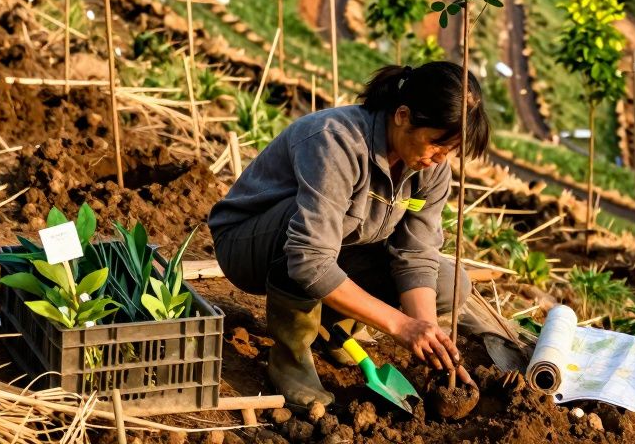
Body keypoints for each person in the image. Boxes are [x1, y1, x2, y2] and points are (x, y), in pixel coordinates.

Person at [207, 61, 489, 407]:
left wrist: (427, 333)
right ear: (402, 115)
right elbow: (309, 259)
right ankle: (290, 357)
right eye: (435, 144)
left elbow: (415, 255)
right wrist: (400, 326)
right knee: (308, 242)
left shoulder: (430, 169)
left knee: (449, 282)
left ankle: (331, 327)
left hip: (336, 247)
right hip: (249, 244)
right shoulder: (336, 141)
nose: (439, 159)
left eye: (450, 152)